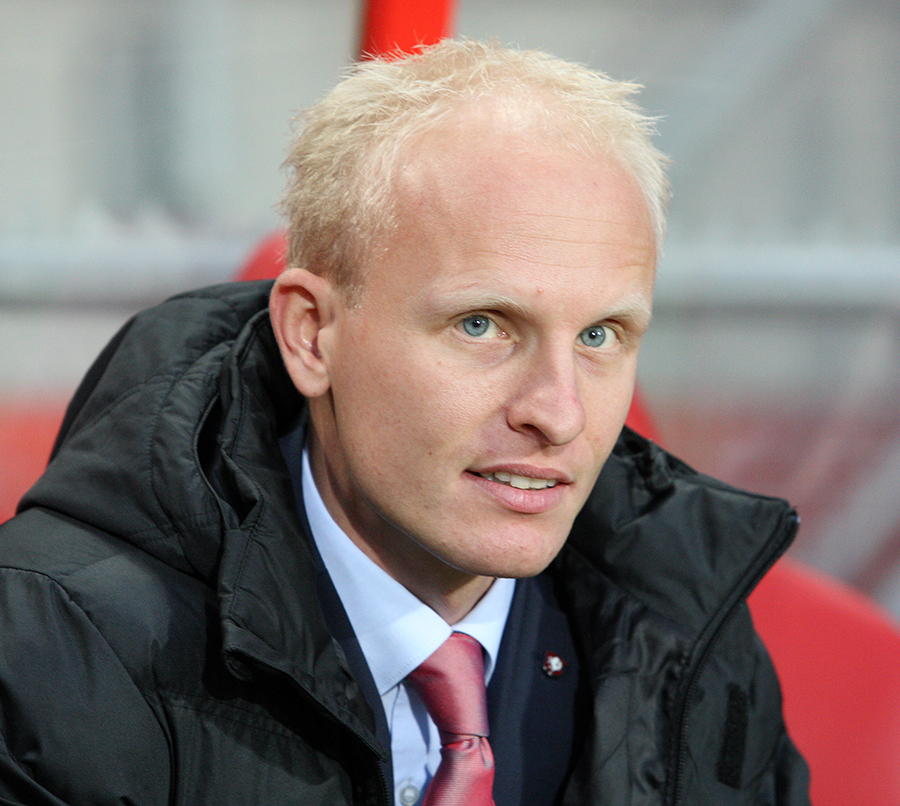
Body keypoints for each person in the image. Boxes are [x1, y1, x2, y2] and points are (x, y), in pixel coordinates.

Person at [0, 39, 809, 805]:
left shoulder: (690, 635)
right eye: (484, 325)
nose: (559, 413)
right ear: (313, 335)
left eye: (600, 335)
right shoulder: (49, 648)